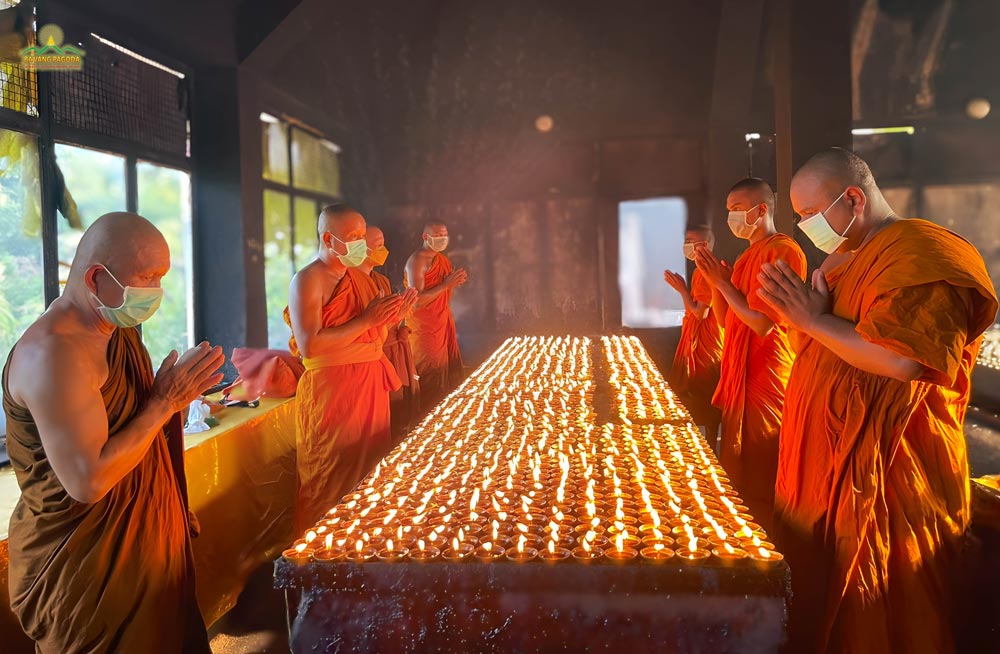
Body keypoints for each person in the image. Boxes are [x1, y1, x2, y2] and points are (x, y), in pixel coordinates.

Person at [758, 148, 998, 653]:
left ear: (852, 198)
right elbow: (830, 345)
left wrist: (814, 320)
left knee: (887, 614)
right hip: (825, 467)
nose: (805, 228)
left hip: (891, 473)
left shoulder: (922, 254)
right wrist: (814, 317)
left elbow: (904, 361)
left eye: (808, 215)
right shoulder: (851, 258)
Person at [1, 212, 223, 653]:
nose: (155, 292)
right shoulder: (55, 354)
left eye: (161, 277)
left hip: (142, 547)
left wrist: (168, 401)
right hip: (88, 568)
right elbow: (88, 482)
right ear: (97, 277)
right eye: (147, 278)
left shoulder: (114, 332)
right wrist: (163, 403)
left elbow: (134, 428)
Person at [285, 204, 417, 531]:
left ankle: (365, 548)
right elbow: (310, 345)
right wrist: (367, 320)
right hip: (333, 392)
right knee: (330, 476)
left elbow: (373, 336)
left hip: (369, 385)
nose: (363, 244)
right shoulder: (308, 279)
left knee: (370, 470)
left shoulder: (360, 280)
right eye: (355, 237)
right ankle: (318, 563)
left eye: (363, 234)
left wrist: (389, 318)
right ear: (329, 239)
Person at [693, 178, 806, 530]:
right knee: (739, 465)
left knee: (763, 462)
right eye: (729, 211)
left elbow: (762, 324)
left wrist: (724, 284)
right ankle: (743, 533)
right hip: (739, 371)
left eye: (739, 209)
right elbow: (728, 321)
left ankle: (771, 541)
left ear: (761, 210)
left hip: (767, 373)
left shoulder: (783, 251)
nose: (733, 217)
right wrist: (716, 284)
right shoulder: (745, 258)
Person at [663, 225, 724, 441]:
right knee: (701, 389)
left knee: (704, 387)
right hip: (704, 339)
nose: (686, 245)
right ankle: (707, 435)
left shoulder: (707, 271)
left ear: (704, 245)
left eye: (690, 240)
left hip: (707, 343)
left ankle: (708, 438)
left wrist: (681, 289)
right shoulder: (702, 271)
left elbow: (700, 313)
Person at [359, 225, 420, 439]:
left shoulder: (381, 280)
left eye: (383, 244)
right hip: (373, 355)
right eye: (377, 246)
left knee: (400, 407)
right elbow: (364, 330)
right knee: (380, 415)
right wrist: (395, 317)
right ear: (358, 247)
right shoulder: (349, 284)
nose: (383, 250)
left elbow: (389, 320)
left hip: (393, 349)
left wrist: (400, 316)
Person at [404, 221, 466, 406]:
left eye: (444, 234)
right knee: (429, 374)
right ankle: (425, 419)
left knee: (442, 374)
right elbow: (417, 301)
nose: (442, 239)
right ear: (425, 237)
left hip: (440, 323)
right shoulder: (418, 261)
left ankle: (440, 413)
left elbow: (443, 298)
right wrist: (446, 284)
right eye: (437, 235)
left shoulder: (442, 260)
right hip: (424, 329)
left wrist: (451, 285)